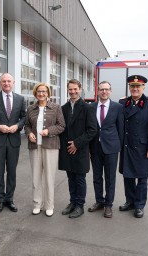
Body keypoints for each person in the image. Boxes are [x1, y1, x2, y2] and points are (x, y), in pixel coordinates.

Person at [118, 75, 148, 218]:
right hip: (127, 145)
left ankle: (139, 205)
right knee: (128, 176)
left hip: (143, 147)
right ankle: (130, 201)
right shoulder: (123, 102)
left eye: (138, 86)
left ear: (143, 88)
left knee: (142, 178)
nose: (135, 89)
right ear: (129, 87)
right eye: (132, 86)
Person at [0, 73, 26, 213]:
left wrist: (18, 126)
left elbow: (24, 117)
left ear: (13, 82)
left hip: (14, 140)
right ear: (0, 83)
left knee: (12, 172)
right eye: (4, 81)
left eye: (9, 81)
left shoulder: (20, 99)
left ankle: (10, 199)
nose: (6, 83)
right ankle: (0, 200)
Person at [25, 83, 65, 217]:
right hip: (35, 146)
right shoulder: (31, 108)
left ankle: (49, 205)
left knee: (49, 177)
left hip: (51, 146)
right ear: (35, 93)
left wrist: (48, 131)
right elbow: (27, 126)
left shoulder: (56, 108)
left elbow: (61, 126)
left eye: (44, 91)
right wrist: (29, 133)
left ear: (48, 93)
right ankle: (37, 204)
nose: (41, 94)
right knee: (36, 177)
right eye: (38, 92)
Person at [59, 79, 97, 218]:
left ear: (80, 89)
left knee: (80, 178)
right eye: (70, 89)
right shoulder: (63, 108)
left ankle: (80, 205)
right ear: (67, 90)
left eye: (75, 89)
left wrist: (77, 143)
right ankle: (72, 202)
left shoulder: (88, 108)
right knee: (70, 178)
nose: (73, 92)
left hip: (80, 149)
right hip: (67, 150)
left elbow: (92, 130)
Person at [88, 81, 124, 218]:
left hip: (111, 148)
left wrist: (118, 146)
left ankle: (108, 204)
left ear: (111, 91)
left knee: (110, 178)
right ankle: (99, 201)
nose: (104, 92)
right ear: (97, 91)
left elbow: (121, 128)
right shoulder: (91, 107)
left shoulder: (117, 107)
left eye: (107, 89)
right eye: (102, 89)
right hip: (95, 148)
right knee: (97, 177)